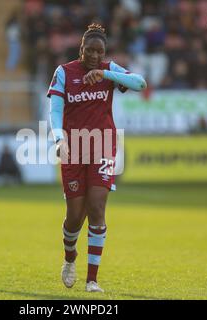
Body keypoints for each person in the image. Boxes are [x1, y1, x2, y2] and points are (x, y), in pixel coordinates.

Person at [47, 23, 146, 292]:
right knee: (75, 216)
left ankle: (92, 280)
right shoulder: (64, 72)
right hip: (74, 147)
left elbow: (140, 83)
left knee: (97, 208)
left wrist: (105, 73)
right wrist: (59, 138)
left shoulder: (109, 69)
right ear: (81, 49)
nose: (93, 56)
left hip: (103, 145)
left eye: (99, 52)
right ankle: (70, 258)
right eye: (89, 51)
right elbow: (55, 110)